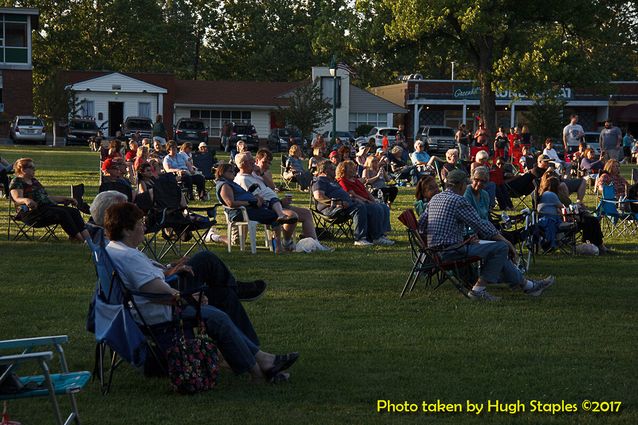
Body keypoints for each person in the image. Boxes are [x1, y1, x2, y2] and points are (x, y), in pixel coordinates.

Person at [102, 202, 298, 383]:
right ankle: (259, 370)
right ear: (127, 230)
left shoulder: (118, 249)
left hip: (156, 299)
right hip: (159, 309)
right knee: (218, 315)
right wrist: (187, 299)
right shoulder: (127, 256)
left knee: (220, 291)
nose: (144, 227)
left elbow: (147, 278)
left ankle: (260, 357)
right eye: (139, 224)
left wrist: (171, 268)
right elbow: (152, 289)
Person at [418, 169, 555, 301]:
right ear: (460, 185)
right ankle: (478, 290)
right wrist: (507, 242)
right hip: (451, 251)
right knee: (501, 247)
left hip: (435, 252)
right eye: (466, 184)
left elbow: (422, 225)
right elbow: (481, 225)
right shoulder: (458, 201)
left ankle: (528, 286)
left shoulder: (435, 199)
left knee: (497, 249)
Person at [9, 158, 90, 242]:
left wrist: (65, 198)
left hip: (46, 208)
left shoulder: (34, 181)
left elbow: (46, 198)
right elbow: (17, 198)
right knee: (62, 213)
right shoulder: (17, 182)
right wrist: (26, 200)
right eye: (31, 167)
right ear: (22, 169)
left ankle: (88, 239)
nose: (34, 169)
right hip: (31, 213)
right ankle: (81, 240)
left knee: (74, 212)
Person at [312, 160, 386, 247]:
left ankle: (377, 237)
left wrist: (353, 198)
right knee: (359, 207)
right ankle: (360, 238)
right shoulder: (320, 181)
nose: (334, 170)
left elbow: (346, 194)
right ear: (324, 171)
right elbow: (319, 196)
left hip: (346, 205)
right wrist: (337, 203)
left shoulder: (333, 182)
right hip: (332, 209)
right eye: (332, 169)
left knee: (373, 207)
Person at [254, 149, 321, 243]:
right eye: (264, 162)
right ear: (256, 161)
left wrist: (281, 201)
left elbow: (272, 187)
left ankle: (314, 243)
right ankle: (287, 242)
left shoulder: (266, 173)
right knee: (291, 216)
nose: (267, 166)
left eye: (269, 163)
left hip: (277, 203)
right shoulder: (251, 175)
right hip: (268, 207)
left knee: (306, 213)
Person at [215, 163, 284, 252]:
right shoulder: (225, 185)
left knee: (273, 206)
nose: (233, 172)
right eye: (230, 171)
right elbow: (230, 203)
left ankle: (277, 243)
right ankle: (278, 246)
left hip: (248, 208)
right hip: (240, 212)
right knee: (274, 216)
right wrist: (251, 202)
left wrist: (254, 196)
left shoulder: (231, 183)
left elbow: (241, 195)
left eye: (233, 170)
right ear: (222, 172)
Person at [336, 160, 393, 245]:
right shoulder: (343, 181)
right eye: (351, 168)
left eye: (353, 168)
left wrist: (373, 200)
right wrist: (367, 201)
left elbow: (366, 191)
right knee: (376, 208)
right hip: (359, 202)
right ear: (344, 170)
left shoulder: (355, 180)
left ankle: (381, 234)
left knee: (384, 207)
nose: (354, 170)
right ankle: (376, 237)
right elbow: (352, 195)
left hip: (367, 200)